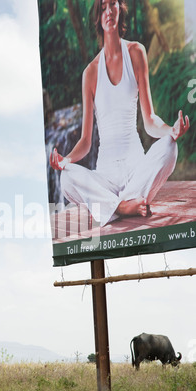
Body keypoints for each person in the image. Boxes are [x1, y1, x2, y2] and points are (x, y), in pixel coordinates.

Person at [50, 0, 190, 227]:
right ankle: (124, 206)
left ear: (120, 8)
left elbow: (150, 120)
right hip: (105, 177)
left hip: (136, 170)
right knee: (66, 178)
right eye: (103, 7)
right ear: (98, 17)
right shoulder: (90, 73)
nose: (108, 11)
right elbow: (86, 141)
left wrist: (171, 130)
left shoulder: (136, 52)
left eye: (112, 4)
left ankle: (114, 207)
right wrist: (65, 160)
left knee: (169, 147)